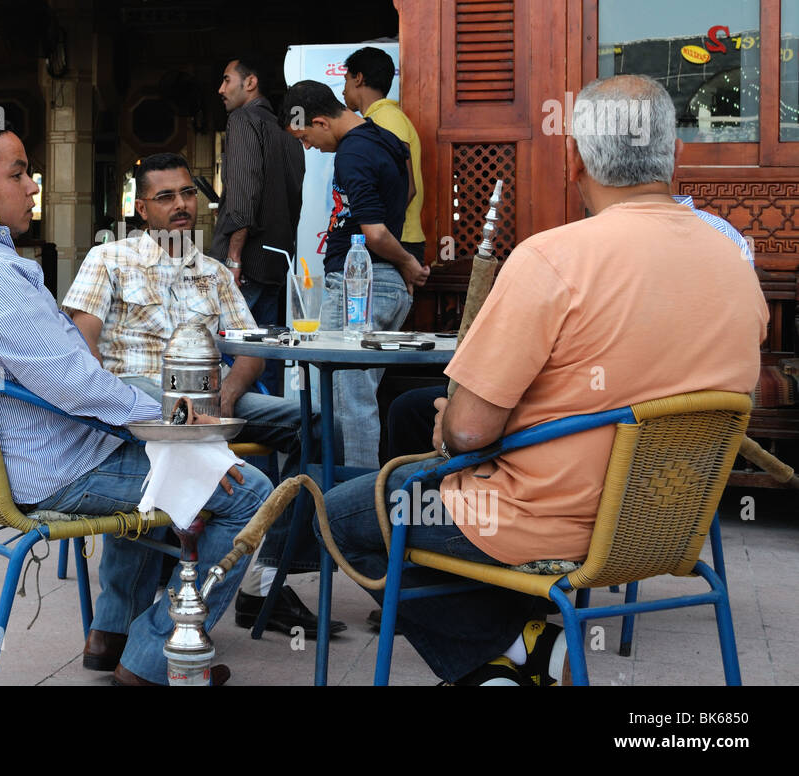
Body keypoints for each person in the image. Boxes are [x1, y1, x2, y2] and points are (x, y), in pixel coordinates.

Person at [313, 75, 767, 685]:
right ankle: (516, 650)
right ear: (674, 156)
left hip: (539, 523)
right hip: (666, 520)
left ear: (575, 158)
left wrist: (450, 420)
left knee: (341, 517)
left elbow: (469, 432)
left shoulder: (554, 258)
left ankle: (507, 652)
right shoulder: (734, 262)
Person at [0, 113, 273, 686]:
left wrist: (160, 425)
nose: (33, 185)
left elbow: (73, 381)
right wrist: (175, 427)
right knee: (247, 490)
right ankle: (151, 658)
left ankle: (110, 634)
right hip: (50, 470)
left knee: (159, 454)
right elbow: (78, 387)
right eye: (18, 173)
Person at [63, 151, 342, 638]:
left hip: (210, 399)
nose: (180, 205)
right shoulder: (108, 258)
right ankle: (128, 625)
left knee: (315, 419)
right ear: (142, 208)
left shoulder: (214, 273)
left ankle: (269, 568)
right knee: (160, 418)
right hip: (136, 391)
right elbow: (82, 348)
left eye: (188, 193)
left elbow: (251, 350)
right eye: (165, 196)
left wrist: (230, 393)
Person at [281, 80, 429, 468]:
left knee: (345, 404)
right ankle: (334, 499)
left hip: (360, 287)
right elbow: (410, 190)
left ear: (319, 121)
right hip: (384, 287)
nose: (309, 147)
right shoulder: (386, 139)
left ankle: (355, 504)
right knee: (343, 399)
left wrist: (407, 262)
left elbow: (375, 233)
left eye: (306, 138)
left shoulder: (352, 152)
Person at [213, 56, 305, 394]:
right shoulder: (288, 133)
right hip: (277, 261)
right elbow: (292, 200)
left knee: (224, 358)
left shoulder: (242, 120)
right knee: (266, 359)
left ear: (249, 83)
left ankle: (226, 444)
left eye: (226, 80)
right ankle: (265, 445)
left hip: (247, 262)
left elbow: (243, 192)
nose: (220, 89)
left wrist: (234, 257)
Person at [342, 47, 426, 265]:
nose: (343, 91)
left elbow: (407, 188)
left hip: (397, 240)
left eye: (346, 81)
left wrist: (379, 236)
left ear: (358, 78)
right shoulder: (377, 118)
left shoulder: (386, 118)